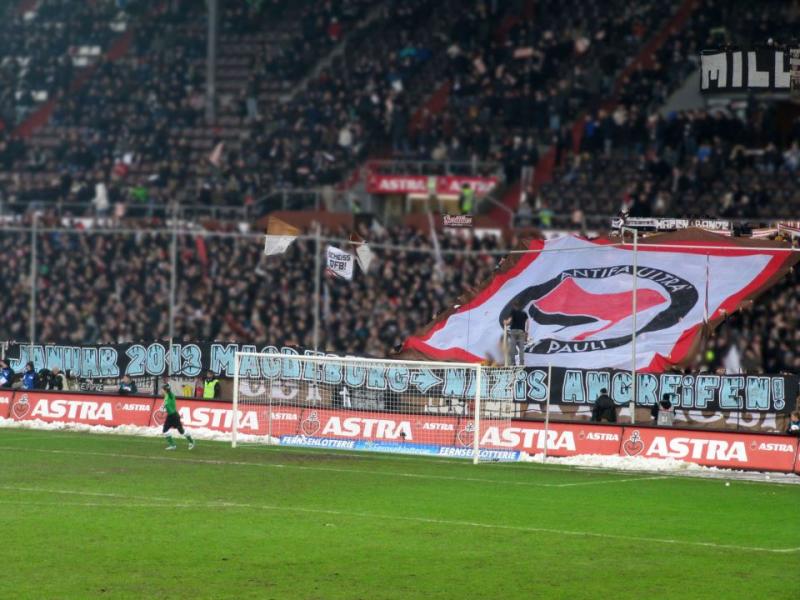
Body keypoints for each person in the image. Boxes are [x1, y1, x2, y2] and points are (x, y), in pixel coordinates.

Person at [160, 383, 195, 450]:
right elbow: (166, 405)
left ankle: (191, 441)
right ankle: (172, 445)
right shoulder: (166, 397)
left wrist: (168, 388)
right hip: (170, 416)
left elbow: (169, 392)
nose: (161, 391)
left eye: (162, 390)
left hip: (174, 416)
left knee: (181, 431)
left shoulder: (170, 395)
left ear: (165, 390)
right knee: (165, 430)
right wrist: (163, 409)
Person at [503, 300, 530, 366]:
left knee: (513, 347)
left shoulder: (513, 312)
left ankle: (513, 363)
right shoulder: (524, 313)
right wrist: (526, 331)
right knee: (521, 348)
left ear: (514, 306)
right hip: (521, 331)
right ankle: (521, 363)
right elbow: (528, 322)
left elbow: (509, 321)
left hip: (514, 331)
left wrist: (505, 322)